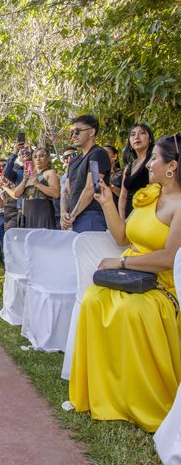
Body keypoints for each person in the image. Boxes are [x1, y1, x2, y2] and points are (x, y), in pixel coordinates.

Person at [69, 133, 181, 432]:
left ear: (171, 166)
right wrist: (106, 201)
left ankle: (142, 400)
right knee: (94, 300)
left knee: (133, 311)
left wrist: (121, 262)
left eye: (155, 158)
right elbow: (122, 237)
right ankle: (108, 396)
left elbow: (169, 258)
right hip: (130, 274)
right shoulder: (149, 195)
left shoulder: (180, 205)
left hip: (162, 284)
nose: (150, 163)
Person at [61, 114, 111, 232]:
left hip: (92, 215)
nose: (73, 136)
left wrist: (72, 215)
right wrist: (64, 212)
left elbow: (92, 187)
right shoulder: (74, 160)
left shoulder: (98, 154)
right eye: (71, 133)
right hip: (74, 217)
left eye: (77, 131)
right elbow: (67, 190)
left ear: (91, 132)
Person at [11, 147, 60, 229]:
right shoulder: (30, 175)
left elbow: (56, 194)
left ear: (47, 158)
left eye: (41, 156)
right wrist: (24, 180)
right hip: (28, 212)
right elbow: (16, 194)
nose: (38, 159)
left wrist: (38, 184)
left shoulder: (50, 172)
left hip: (44, 211)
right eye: (35, 157)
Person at [119, 124, 154, 220]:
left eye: (142, 133)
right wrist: (122, 220)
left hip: (147, 216)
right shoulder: (129, 166)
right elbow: (123, 196)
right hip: (127, 217)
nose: (137, 137)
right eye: (133, 134)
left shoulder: (154, 161)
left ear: (150, 139)